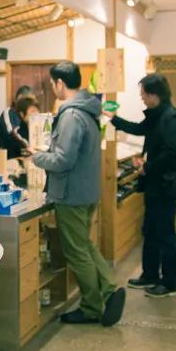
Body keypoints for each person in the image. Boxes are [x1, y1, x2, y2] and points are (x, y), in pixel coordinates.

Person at [30, 61, 126, 326]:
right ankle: (109, 288)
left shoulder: (71, 114)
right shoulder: (88, 110)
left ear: (60, 83)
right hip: (87, 191)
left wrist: (37, 157)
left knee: (76, 252)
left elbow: (63, 160)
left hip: (71, 194)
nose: (52, 88)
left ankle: (93, 306)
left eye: (52, 84)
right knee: (84, 245)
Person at [104, 73, 176, 298]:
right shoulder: (157, 115)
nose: (141, 98)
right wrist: (113, 118)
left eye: (143, 94)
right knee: (150, 230)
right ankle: (150, 274)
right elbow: (140, 129)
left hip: (164, 184)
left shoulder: (170, 117)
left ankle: (169, 283)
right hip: (153, 183)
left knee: (165, 234)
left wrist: (147, 167)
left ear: (154, 95)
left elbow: (173, 153)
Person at [0, 85, 35, 158]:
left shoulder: (28, 115)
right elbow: (12, 134)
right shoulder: (8, 113)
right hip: (11, 157)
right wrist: (28, 146)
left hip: (28, 156)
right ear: (20, 97)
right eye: (29, 101)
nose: (31, 105)